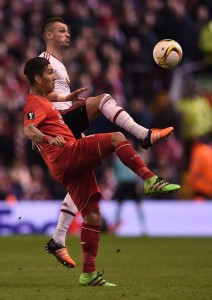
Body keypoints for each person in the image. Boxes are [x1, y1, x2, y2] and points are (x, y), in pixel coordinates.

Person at [23, 57, 180, 286]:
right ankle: (149, 179)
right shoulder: (33, 103)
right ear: (38, 78)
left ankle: (89, 274)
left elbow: (51, 100)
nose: (54, 76)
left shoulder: (43, 100)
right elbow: (28, 130)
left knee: (93, 215)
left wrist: (68, 97)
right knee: (117, 138)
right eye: (49, 72)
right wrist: (48, 138)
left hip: (65, 166)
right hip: (67, 154)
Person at [38, 17, 174, 269]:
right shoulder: (43, 61)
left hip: (66, 127)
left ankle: (58, 237)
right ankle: (144, 134)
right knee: (103, 100)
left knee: (83, 174)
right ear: (48, 35)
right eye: (61, 31)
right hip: (59, 122)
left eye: (68, 30)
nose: (67, 34)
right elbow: (38, 95)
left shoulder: (58, 64)